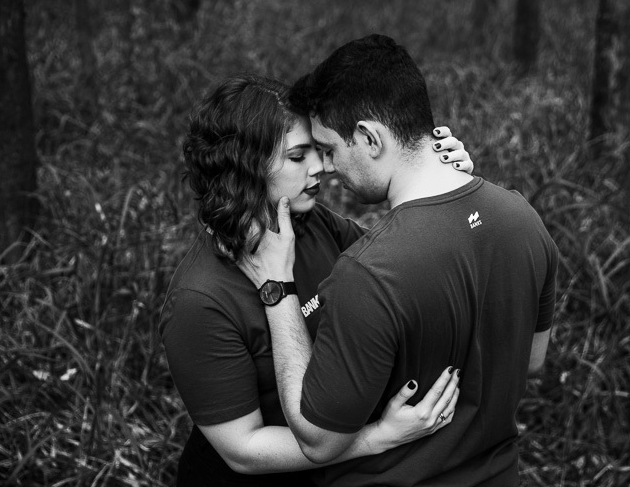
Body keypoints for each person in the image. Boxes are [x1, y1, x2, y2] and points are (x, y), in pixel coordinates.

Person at [237, 35, 558, 487]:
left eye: (329, 149)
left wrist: (280, 291)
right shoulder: (525, 221)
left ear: (370, 138)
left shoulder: (368, 274)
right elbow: (531, 360)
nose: (326, 168)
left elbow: (316, 441)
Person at [159, 73, 474, 486]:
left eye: (320, 152)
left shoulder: (311, 223)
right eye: (297, 157)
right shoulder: (198, 301)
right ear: (246, 168)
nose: (322, 167)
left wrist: (445, 183)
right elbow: (244, 451)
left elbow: (404, 275)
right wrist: (376, 438)